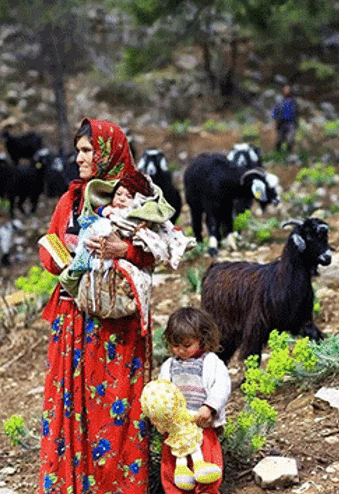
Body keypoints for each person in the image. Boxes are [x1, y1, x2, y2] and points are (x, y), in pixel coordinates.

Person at [38, 119, 158, 494]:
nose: (79, 158)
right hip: (73, 320)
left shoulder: (137, 199)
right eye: (78, 151)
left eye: (87, 150)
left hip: (115, 328)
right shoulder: (71, 200)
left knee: (116, 412)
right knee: (72, 411)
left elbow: (158, 250)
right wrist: (61, 258)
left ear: (108, 152)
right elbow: (51, 245)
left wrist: (127, 250)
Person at [146, 307, 231, 494]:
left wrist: (209, 407)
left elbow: (222, 386)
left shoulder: (211, 362)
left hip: (202, 424)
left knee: (208, 463)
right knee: (172, 468)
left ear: (202, 339)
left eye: (187, 345)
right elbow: (163, 390)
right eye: (175, 346)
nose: (181, 351)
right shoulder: (169, 366)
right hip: (177, 429)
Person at [272, 85, 299, 153]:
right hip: (281, 122)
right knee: (279, 140)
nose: (286, 91)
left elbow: (297, 111)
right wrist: (274, 120)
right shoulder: (279, 100)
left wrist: (296, 122)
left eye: (288, 90)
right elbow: (275, 111)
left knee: (290, 140)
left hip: (291, 122)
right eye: (285, 90)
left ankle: (289, 154)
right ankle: (277, 154)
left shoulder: (293, 101)